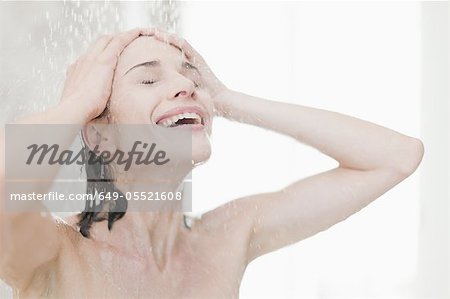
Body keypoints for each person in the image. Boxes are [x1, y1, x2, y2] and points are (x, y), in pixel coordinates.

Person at [0, 27, 424, 298]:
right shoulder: (54, 255)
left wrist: (227, 99)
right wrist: (77, 103)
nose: (186, 85)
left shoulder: (225, 238)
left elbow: (395, 157)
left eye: (192, 78)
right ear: (99, 135)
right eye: (149, 79)